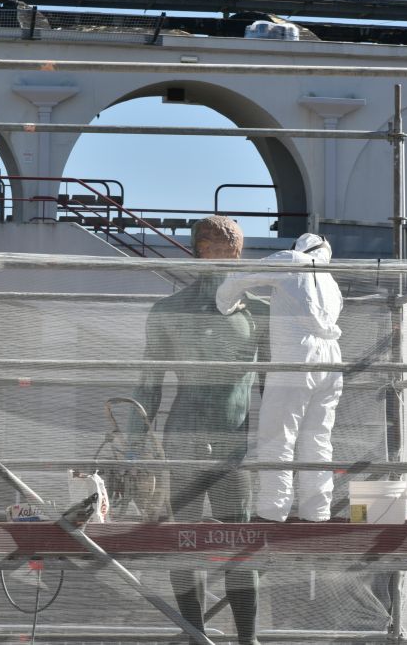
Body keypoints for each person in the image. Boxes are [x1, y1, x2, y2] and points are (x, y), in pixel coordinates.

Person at [127, 215, 261, 645]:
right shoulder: (169, 311)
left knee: (240, 544)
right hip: (181, 438)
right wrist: (132, 447)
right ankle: (195, 634)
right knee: (183, 543)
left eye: (232, 255)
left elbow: (280, 389)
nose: (225, 262)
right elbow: (149, 383)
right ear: (198, 252)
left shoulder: (258, 312)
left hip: (232, 444)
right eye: (216, 252)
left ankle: (247, 639)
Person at [216, 233, 344, 523]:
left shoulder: (291, 260)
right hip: (332, 360)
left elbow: (241, 276)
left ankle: (272, 513)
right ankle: (317, 512)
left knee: (278, 435)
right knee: (318, 439)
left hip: (296, 357)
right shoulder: (331, 281)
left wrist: (225, 304)